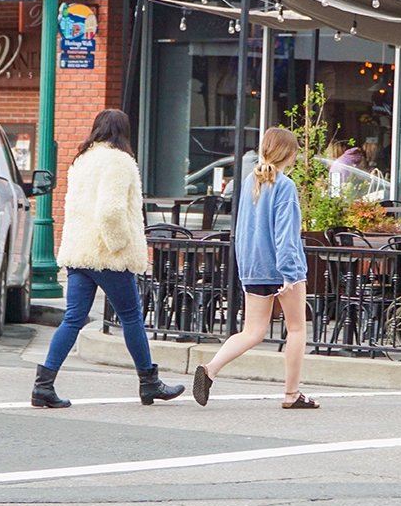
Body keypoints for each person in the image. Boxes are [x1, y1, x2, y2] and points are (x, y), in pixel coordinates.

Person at [31, 109, 185, 409]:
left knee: (73, 318)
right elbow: (110, 211)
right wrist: (120, 244)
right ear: (122, 132)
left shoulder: (82, 160)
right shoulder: (119, 161)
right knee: (131, 317)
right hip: (106, 254)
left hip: (80, 252)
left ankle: (43, 386)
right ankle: (149, 382)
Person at [192, 126, 319, 410]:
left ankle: (211, 369)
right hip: (282, 268)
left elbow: (242, 229)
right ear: (289, 154)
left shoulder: (252, 180)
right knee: (297, 329)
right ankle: (292, 394)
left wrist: (245, 269)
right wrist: (289, 272)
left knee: (252, 332)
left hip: (253, 267)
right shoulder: (284, 185)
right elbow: (286, 234)